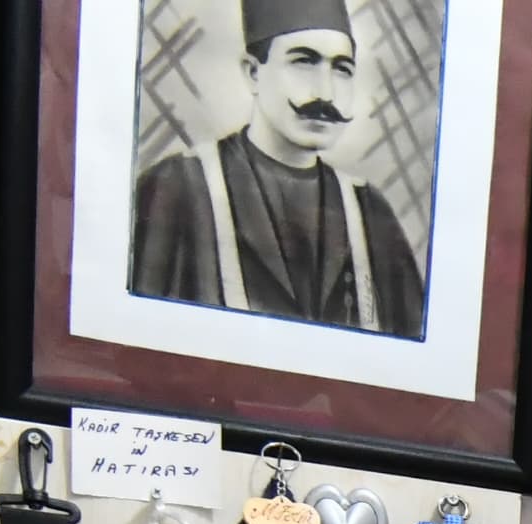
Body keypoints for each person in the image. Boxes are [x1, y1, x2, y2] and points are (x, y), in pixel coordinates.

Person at [126, 0, 428, 333]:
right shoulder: (178, 191)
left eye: (341, 68)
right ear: (253, 72)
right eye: (303, 62)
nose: (325, 93)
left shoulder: (370, 213)